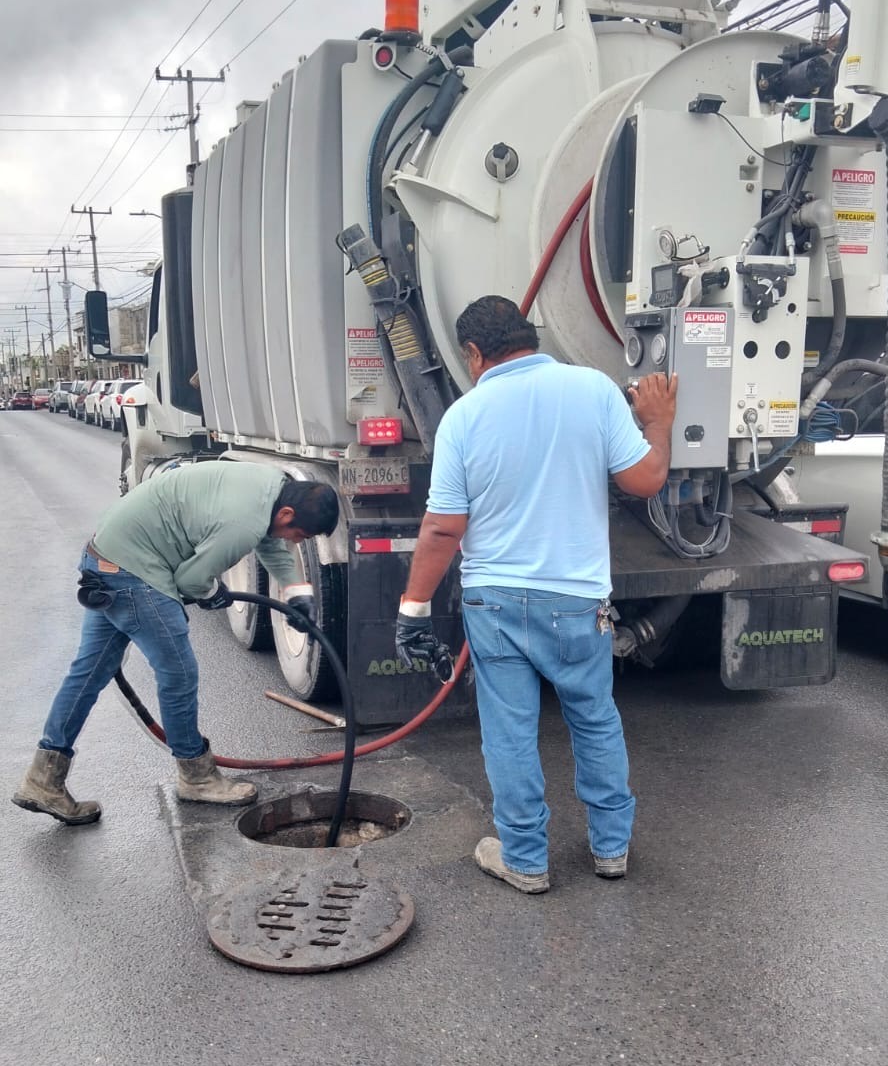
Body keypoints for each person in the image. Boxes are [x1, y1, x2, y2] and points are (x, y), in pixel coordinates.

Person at [394, 296, 676, 893]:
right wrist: (659, 421)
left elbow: (443, 528)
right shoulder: (593, 390)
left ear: (474, 353)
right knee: (594, 718)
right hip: (578, 600)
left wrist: (412, 610)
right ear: (530, 336)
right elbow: (645, 480)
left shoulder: (464, 417)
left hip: (494, 602)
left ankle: (524, 859)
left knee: (509, 730)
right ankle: (611, 849)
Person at [13, 460, 339, 825]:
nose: (296, 542)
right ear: (287, 513)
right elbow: (192, 580)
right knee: (179, 674)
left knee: (88, 674)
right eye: (299, 534)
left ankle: (43, 779)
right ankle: (197, 777)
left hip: (105, 557)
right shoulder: (243, 524)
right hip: (136, 573)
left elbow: (269, 540)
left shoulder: (271, 486)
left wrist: (296, 590)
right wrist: (213, 592)